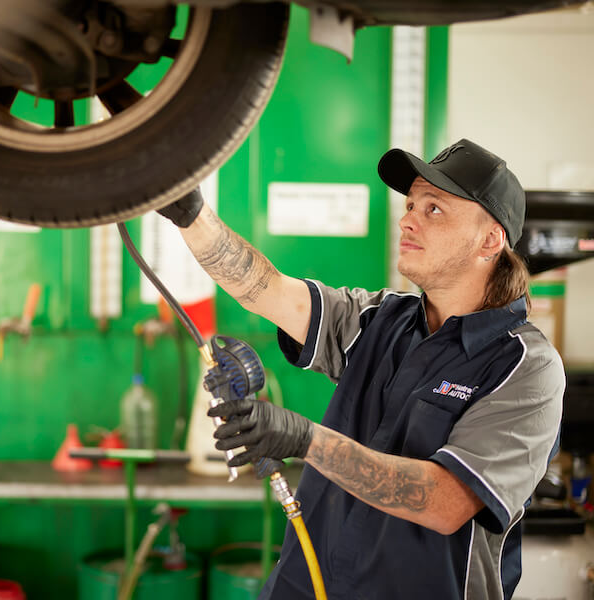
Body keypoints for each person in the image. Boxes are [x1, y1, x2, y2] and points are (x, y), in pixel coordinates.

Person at [158, 138, 565, 600]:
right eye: (411, 204)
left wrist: (305, 440)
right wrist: (191, 214)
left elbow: (446, 501)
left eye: (434, 209)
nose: (407, 218)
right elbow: (266, 289)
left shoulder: (526, 368)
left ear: (490, 240)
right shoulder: (378, 320)